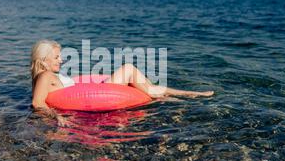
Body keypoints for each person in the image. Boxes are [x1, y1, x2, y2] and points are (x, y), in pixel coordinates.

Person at [30, 40, 214, 113]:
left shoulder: (46, 75)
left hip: (89, 92)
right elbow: (37, 103)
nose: (61, 60)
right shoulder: (45, 76)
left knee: (142, 81)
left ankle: (184, 94)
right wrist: (56, 117)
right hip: (87, 97)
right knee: (128, 68)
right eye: (56, 57)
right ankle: (184, 95)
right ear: (44, 59)